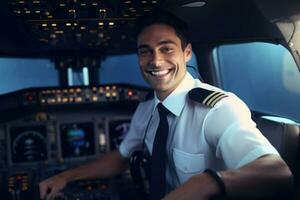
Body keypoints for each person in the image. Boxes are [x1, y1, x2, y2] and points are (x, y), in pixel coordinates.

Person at [39, 12, 293, 200]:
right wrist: (65, 177)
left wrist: (206, 182)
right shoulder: (147, 109)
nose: (156, 61)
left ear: (187, 53)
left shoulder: (217, 109)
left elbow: (277, 172)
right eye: (145, 51)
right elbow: (120, 159)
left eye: (166, 49)